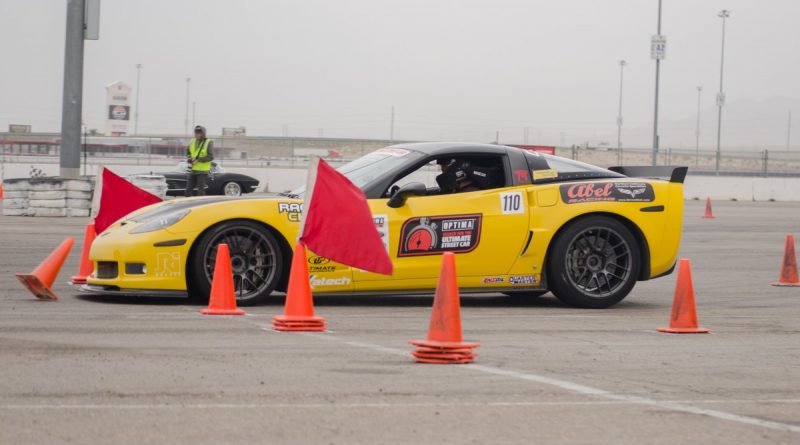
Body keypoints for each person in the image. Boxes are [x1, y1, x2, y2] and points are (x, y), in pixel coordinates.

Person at [185, 125, 214, 196]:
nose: (197, 134)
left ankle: (202, 206)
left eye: (199, 133)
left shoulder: (208, 142)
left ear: (203, 133)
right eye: (196, 132)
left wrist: (198, 160)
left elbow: (210, 157)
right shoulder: (192, 141)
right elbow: (188, 154)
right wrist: (190, 159)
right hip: (193, 170)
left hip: (202, 171)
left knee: (200, 191)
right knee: (188, 190)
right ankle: (188, 204)